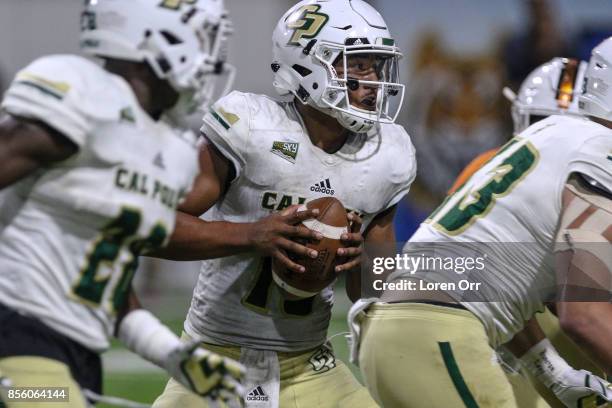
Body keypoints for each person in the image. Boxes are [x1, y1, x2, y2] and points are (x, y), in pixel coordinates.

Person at [152, 0, 416, 407]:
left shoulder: (387, 154)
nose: (373, 82)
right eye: (357, 65)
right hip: (212, 359)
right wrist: (253, 235)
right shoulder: (251, 126)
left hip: (311, 366)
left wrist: (359, 257)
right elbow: (153, 229)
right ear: (308, 66)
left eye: (376, 66)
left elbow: (375, 290)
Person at [0, 1, 243, 406]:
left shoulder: (173, 151)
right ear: (156, 35)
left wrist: (171, 353)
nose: (209, 58)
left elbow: (107, 280)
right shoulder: (83, 93)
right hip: (16, 336)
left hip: (75, 353)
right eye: (203, 38)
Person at [349, 38, 612, 407]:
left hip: (411, 327)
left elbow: (485, 273)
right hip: (438, 333)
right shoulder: (600, 153)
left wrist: (547, 367)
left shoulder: (555, 134)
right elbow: (584, 315)